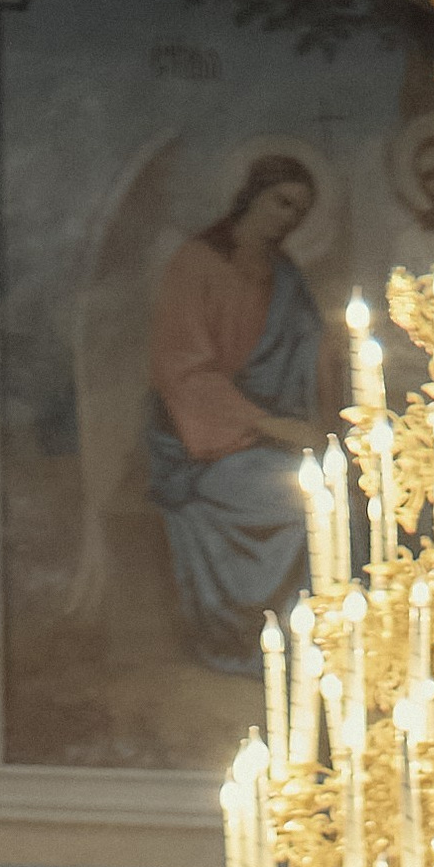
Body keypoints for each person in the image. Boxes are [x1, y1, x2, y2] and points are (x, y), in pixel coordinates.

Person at [145, 154, 328, 671]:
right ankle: (245, 638)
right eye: (283, 202)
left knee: (334, 491)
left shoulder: (283, 274)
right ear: (252, 195)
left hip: (271, 437)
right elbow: (184, 373)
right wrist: (271, 425)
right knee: (303, 500)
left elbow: (311, 349)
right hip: (199, 443)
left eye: (301, 211)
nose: (290, 217)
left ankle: (311, 642)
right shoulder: (197, 263)